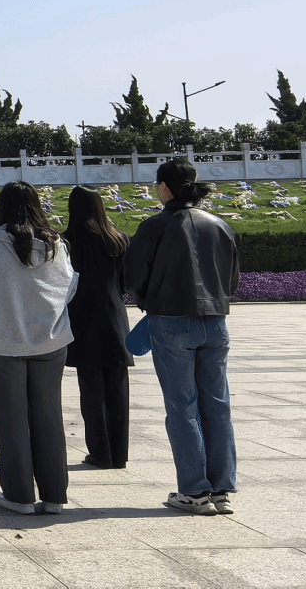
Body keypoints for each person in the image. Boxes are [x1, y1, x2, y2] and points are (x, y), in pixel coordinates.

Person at [125, 159, 241, 516]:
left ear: (164, 188)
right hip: (215, 321)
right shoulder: (219, 225)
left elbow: (133, 278)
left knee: (182, 407)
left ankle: (194, 490)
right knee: (217, 405)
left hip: (171, 320)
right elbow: (232, 279)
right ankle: (221, 488)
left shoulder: (155, 226)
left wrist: (147, 298)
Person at [0, 181, 77, 516]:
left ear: (2, 206)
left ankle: (19, 495)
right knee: (49, 415)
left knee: (11, 417)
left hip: (4, 338)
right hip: (51, 337)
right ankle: (54, 495)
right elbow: (69, 285)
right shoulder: (55, 243)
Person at [64, 186, 133, 471]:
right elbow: (125, 283)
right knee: (118, 389)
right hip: (114, 317)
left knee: (91, 390)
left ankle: (100, 452)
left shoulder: (67, 241)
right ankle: (119, 454)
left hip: (82, 317)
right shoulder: (118, 239)